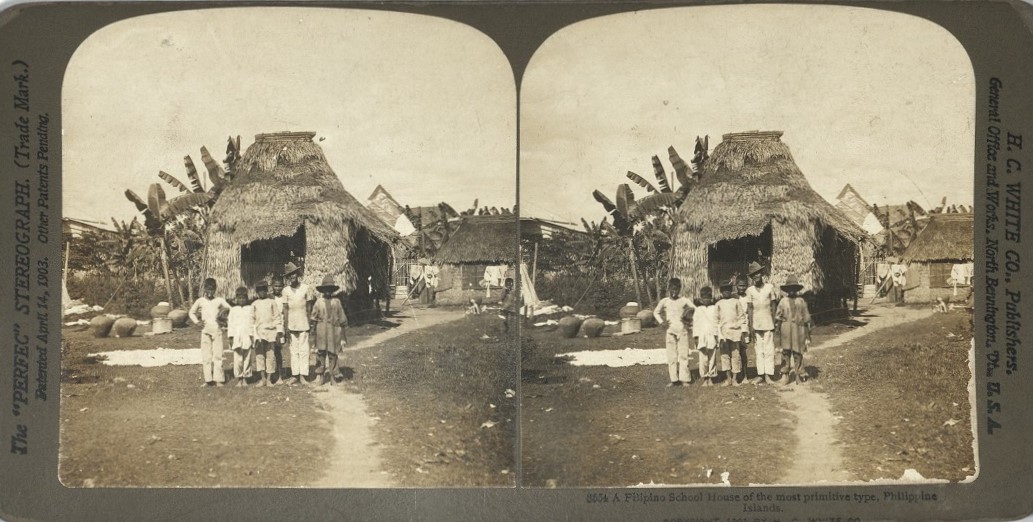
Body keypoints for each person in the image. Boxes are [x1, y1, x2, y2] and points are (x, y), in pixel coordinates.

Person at [189, 278, 231, 387]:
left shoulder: (219, 300)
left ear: (215, 289)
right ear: (205, 289)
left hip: (217, 331)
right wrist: (197, 322)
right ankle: (208, 380)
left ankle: (219, 379)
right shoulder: (200, 301)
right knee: (206, 356)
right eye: (208, 289)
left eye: (212, 289)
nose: (210, 292)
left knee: (218, 355)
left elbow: (229, 309)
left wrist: (223, 319)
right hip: (205, 331)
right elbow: (191, 312)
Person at [653, 278, 695, 387]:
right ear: (669, 289)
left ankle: (685, 379)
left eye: (676, 289)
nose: (674, 291)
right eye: (672, 289)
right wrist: (662, 322)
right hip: (670, 331)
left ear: (679, 289)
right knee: (671, 356)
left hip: (682, 330)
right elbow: (656, 312)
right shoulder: (665, 301)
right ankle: (674, 379)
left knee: (683, 354)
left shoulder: (684, 300)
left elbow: (694, 309)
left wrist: (688, 320)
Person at [281, 262, 316, 386]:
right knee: (293, 350)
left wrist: (310, 323)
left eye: (294, 273)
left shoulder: (306, 288)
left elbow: (309, 308)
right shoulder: (285, 291)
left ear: (298, 274)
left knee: (304, 350)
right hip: (292, 324)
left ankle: (303, 376)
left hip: (304, 324)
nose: (292, 276)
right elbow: (285, 310)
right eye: (289, 275)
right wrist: (285, 327)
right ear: (287, 277)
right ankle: (294, 375)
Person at [310, 275, 349, 386]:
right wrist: (313, 334)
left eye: (330, 289)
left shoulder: (336, 302)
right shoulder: (318, 302)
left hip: (333, 331)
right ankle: (321, 376)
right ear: (322, 290)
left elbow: (342, 319)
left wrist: (343, 336)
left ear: (332, 290)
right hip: (321, 330)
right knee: (321, 353)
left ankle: (333, 376)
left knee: (333, 353)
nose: (328, 291)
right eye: (325, 289)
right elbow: (313, 318)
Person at [775, 275, 812, 384]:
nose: (791, 291)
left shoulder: (801, 301)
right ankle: (785, 374)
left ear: (797, 289)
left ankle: (798, 374)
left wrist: (807, 335)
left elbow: (806, 319)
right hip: (785, 329)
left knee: (798, 352)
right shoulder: (783, 301)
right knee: (785, 352)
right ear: (786, 290)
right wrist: (777, 332)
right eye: (789, 288)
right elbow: (778, 317)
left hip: (798, 329)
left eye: (794, 289)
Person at [745, 263, 778, 385]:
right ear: (751, 277)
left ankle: (769, 375)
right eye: (753, 275)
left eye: (758, 273)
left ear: (762, 274)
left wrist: (775, 322)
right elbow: (749, 309)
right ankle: (760, 375)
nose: (756, 276)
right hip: (756, 324)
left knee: (769, 349)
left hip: (768, 322)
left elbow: (774, 306)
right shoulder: (750, 290)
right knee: (759, 350)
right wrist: (750, 326)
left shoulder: (769, 287)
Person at [716, 280, 747, 386]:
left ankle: (735, 379)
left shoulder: (736, 302)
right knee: (725, 355)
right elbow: (716, 320)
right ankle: (728, 378)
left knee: (735, 355)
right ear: (721, 292)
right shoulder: (719, 304)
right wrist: (719, 334)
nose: (726, 292)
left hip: (735, 332)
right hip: (724, 333)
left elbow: (742, 317)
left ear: (731, 290)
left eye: (728, 290)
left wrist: (740, 329)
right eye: (724, 290)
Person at [252, 280, 280, 387]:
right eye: (260, 291)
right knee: (259, 356)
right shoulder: (254, 304)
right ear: (257, 292)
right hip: (259, 334)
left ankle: (269, 379)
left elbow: (277, 317)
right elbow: (252, 320)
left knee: (270, 356)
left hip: (271, 333)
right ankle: (262, 378)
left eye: (264, 290)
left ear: (267, 290)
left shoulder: (272, 302)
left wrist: (278, 331)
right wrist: (254, 335)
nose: (262, 293)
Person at [227, 286, 256, 387]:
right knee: (238, 358)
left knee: (247, 358)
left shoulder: (250, 309)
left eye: (243, 298)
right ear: (236, 298)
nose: (241, 300)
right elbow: (230, 324)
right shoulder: (233, 310)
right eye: (239, 298)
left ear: (246, 298)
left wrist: (253, 336)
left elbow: (253, 323)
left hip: (247, 336)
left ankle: (246, 378)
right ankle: (239, 378)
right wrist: (230, 337)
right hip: (237, 336)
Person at [692, 286, 720, 386]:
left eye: (708, 298)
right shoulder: (698, 310)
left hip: (712, 335)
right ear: (701, 299)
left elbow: (716, 322)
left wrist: (717, 335)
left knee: (712, 357)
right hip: (701, 336)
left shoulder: (714, 308)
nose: (706, 300)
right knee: (703, 358)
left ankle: (711, 377)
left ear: (711, 298)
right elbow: (695, 324)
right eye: (704, 298)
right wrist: (696, 337)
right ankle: (705, 377)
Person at [270, 276, 288, 383]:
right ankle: (271, 373)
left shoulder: (283, 298)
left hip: (280, 326)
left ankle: (280, 374)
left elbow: (284, 313)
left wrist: (285, 328)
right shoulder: (269, 298)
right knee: (270, 351)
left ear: (282, 286)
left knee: (278, 351)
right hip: (270, 326)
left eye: (279, 286)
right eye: (275, 286)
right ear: (272, 286)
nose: (277, 288)